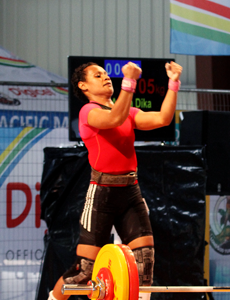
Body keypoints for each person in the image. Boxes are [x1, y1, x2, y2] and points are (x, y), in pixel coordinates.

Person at [48, 60, 182, 300]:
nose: (106, 77)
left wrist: (173, 83)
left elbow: (163, 118)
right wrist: (129, 82)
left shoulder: (128, 112)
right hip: (102, 194)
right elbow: (114, 120)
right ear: (83, 86)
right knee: (82, 273)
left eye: (106, 74)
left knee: (144, 266)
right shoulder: (88, 112)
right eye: (98, 75)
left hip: (130, 193)